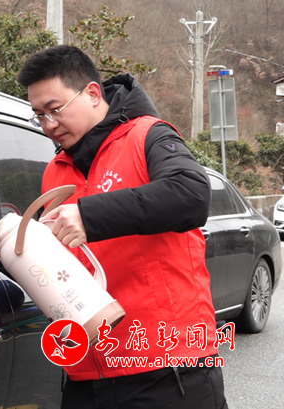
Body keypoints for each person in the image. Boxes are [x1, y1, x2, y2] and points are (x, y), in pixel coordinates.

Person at [16, 45, 228, 408]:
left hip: (167, 367)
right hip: (85, 372)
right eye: (39, 115)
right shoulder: (55, 171)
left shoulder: (148, 135)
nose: (48, 125)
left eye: (55, 110)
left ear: (92, 93)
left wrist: (89, 215)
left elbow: (191, 194)